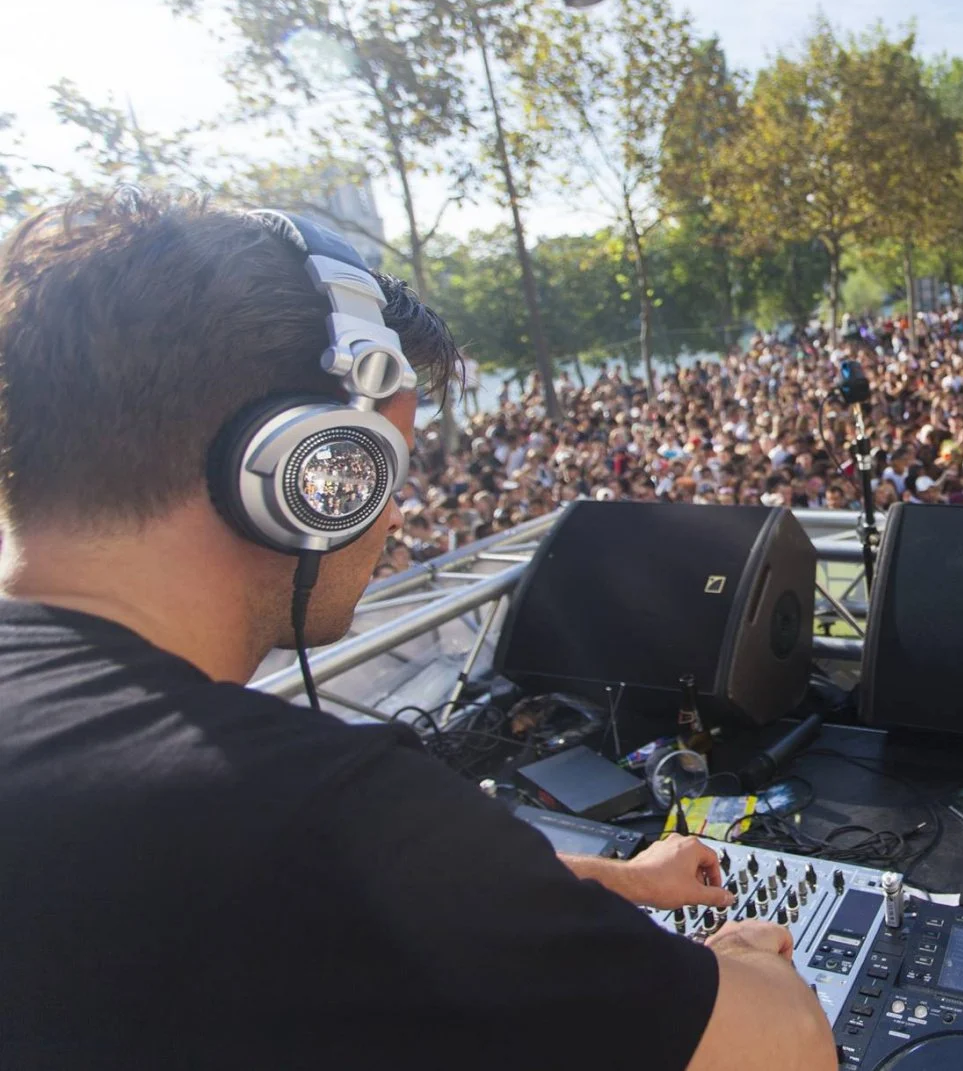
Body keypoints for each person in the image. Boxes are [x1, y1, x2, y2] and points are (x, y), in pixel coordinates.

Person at [0, 193, 835, 1070]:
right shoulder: (320, 811)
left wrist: (621, 882)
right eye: (385, 470)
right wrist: (739, 956)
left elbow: (384, 909)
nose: (394, 514)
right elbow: (784, 1049)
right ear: (308, 471)